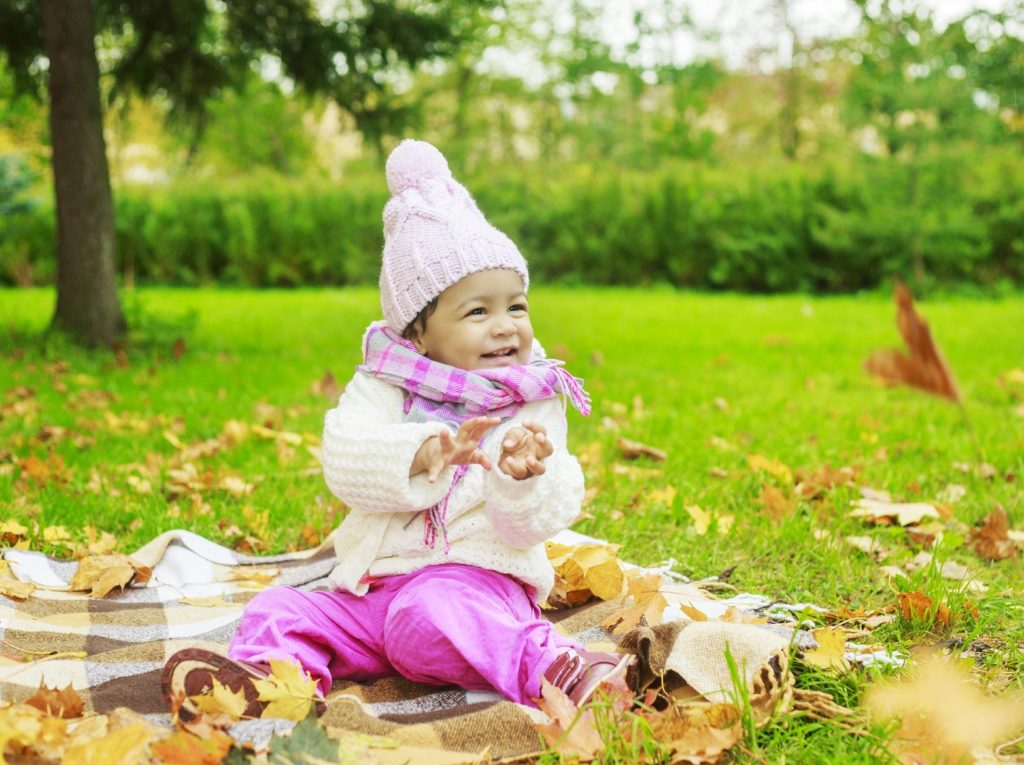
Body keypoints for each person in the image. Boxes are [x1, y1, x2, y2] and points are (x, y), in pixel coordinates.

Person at [161, 139, 633, 721]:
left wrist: (520, 477)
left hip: (473, 588)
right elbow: (345, 460)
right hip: (371, 592)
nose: (506, 327)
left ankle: (556, 668)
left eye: (516, 305)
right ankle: (265, 680)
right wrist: (427, 451)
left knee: (429, 616)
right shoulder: (384, 384)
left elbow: (532, 523)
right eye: (477, 312)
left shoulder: (527, 400)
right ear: (417, 335)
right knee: (280, 607)